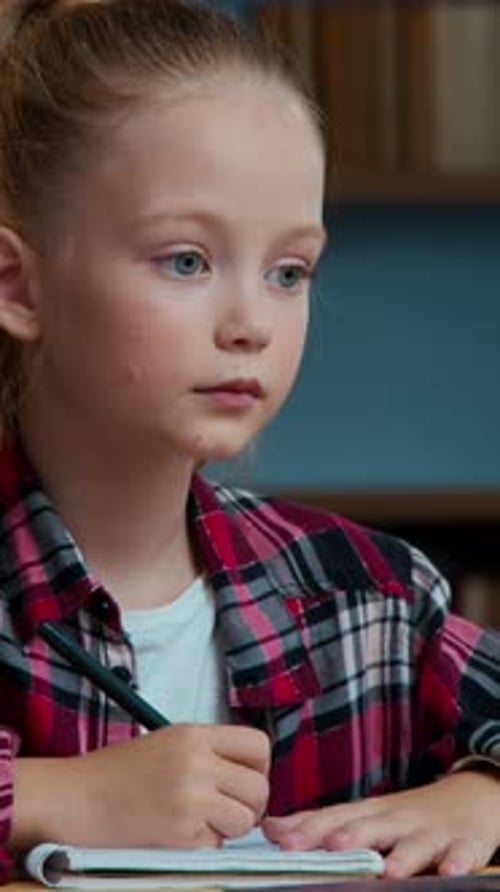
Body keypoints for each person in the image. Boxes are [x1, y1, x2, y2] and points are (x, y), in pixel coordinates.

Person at [0, 0, 499, 883]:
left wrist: (485, 791)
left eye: (289, 271)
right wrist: (42, 797)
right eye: (186, 260)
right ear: (19, 286)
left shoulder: (372, 596)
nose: (251, 324)